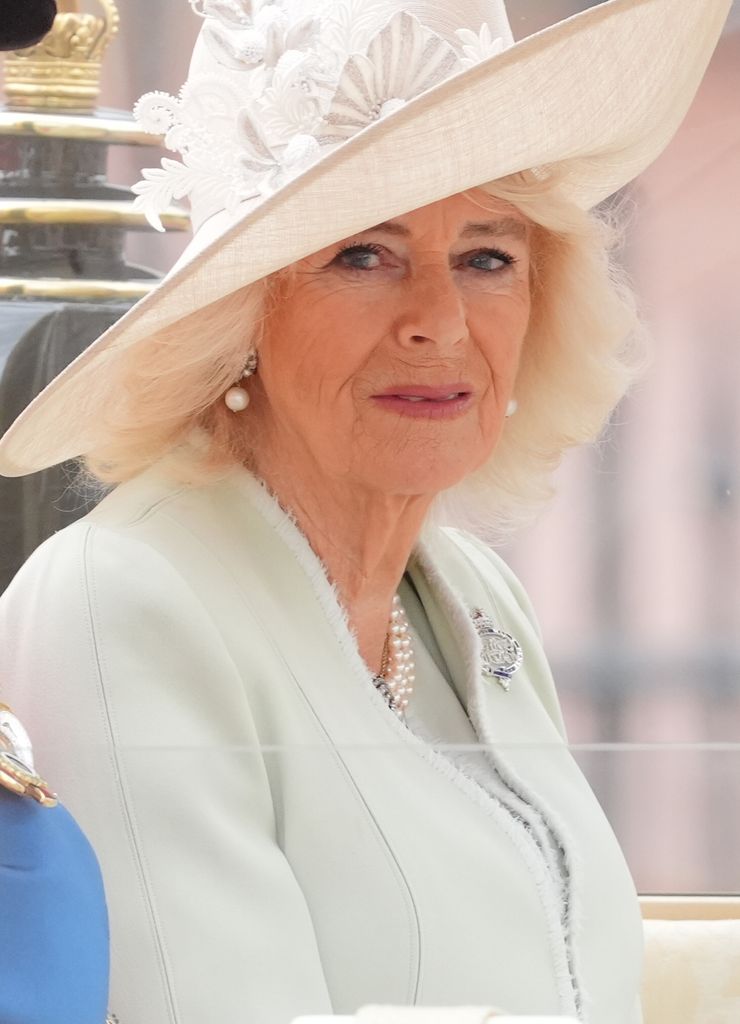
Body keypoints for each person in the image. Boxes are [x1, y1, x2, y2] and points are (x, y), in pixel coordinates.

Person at [0, 1, 731, 1023]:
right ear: (240, 315)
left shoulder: (473, 594)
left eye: (486, 257)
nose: (437, 321)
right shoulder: (117, 604)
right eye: (361, 255)